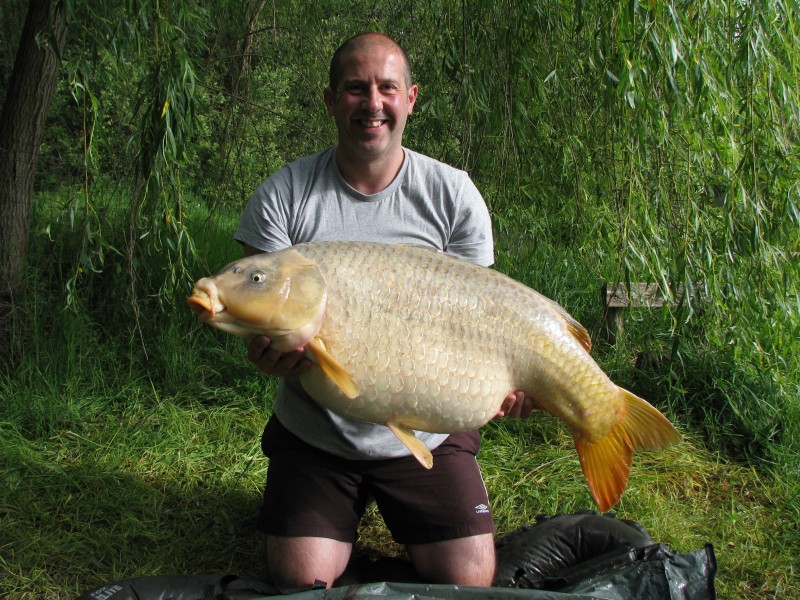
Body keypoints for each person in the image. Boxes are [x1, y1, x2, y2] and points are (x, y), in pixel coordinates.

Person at [234, 32, 532, 590]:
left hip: (427, 428)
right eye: (354, 88)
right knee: (299, 580)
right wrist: (266, 353)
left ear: (411, 98)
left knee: (467, 581)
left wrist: (504, 385)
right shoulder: (283, 196)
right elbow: (261, 306)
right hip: (317, 430)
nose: (372, 102)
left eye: (387, 87)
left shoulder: (453, 195)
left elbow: (483, 327)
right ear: (329, 101)